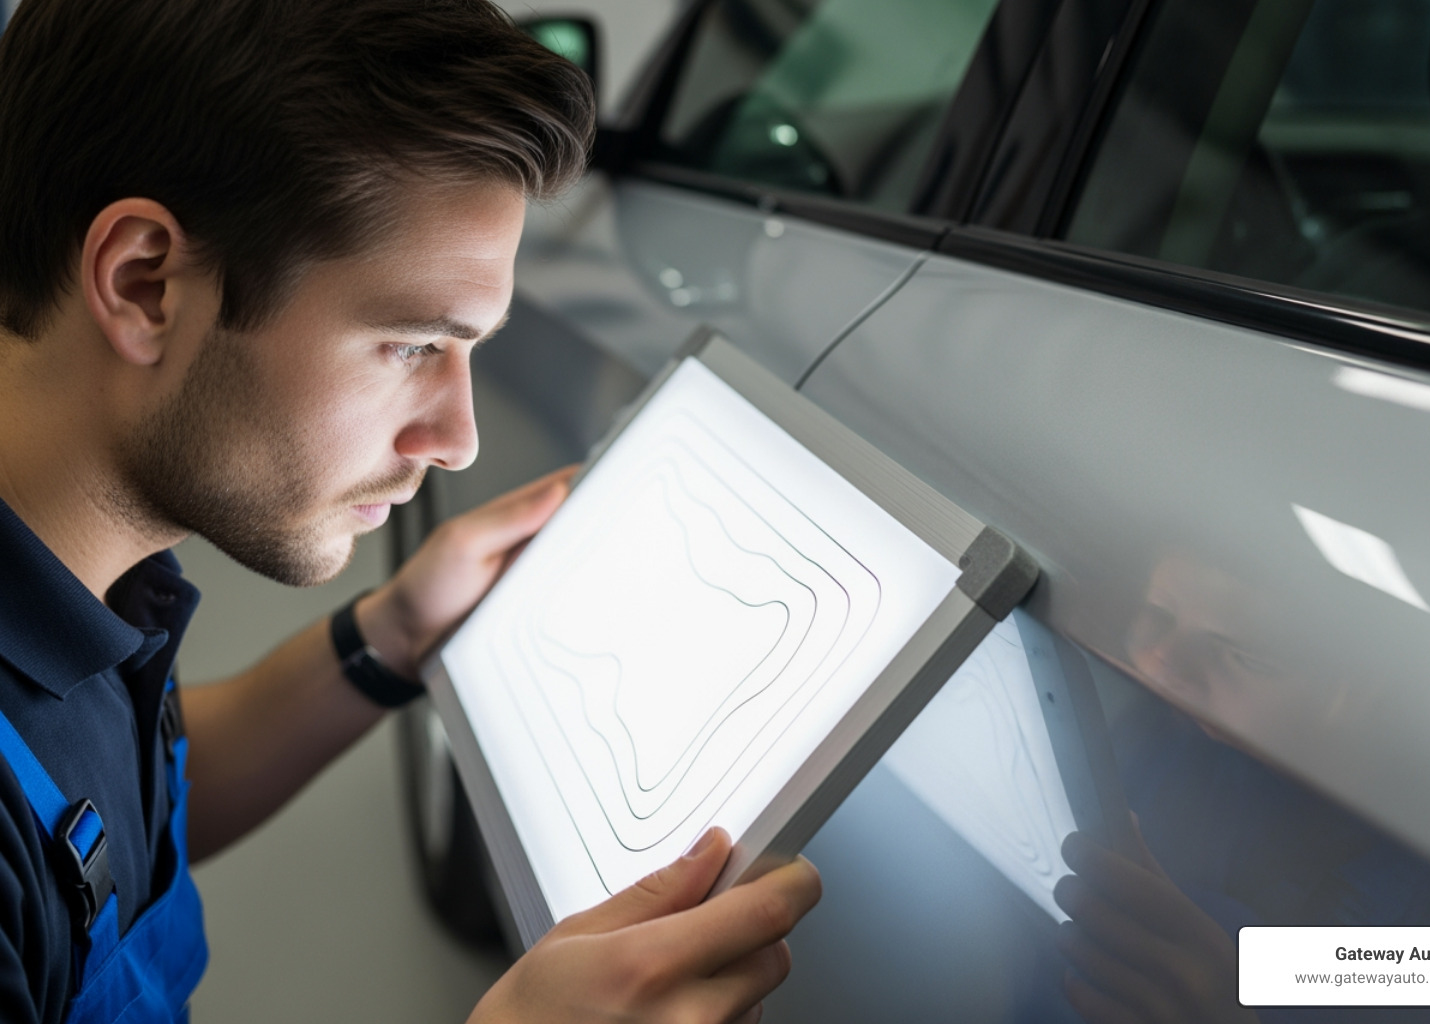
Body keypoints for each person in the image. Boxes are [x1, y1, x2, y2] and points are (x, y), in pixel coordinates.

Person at [0, 2, 822, 1023]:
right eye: (410, 345)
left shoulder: (82, 565)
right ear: (145, 282)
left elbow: (115, 812)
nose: (458, 437)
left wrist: (389, 637)